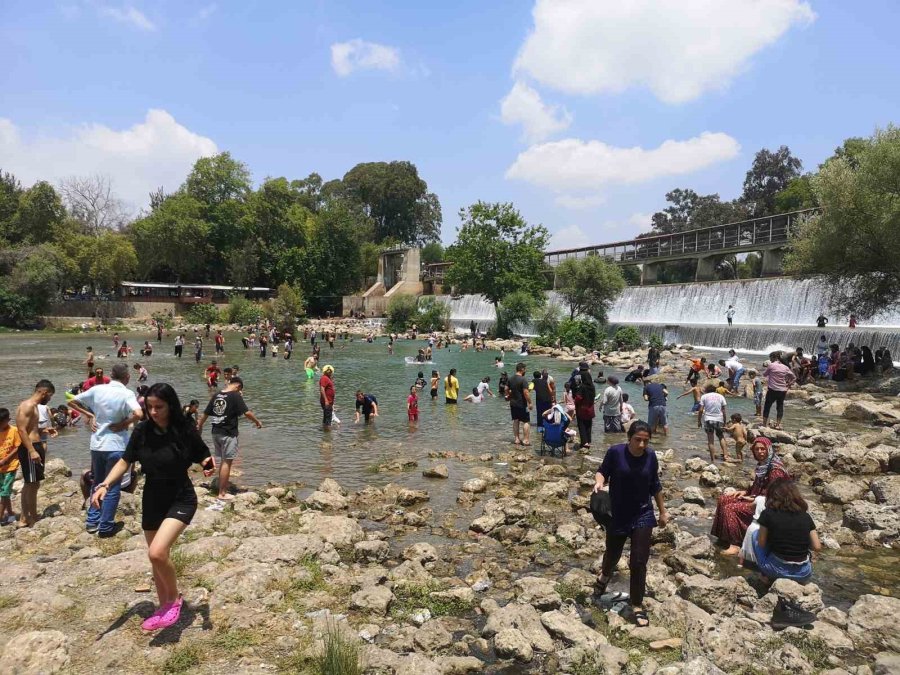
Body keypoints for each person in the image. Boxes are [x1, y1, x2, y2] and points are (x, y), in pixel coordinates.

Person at [90, 383, 215, 632]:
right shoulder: (143, 431)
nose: (154, 412)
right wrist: (104, 483)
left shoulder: (184, 429)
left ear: (171, 405)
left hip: (181, 497)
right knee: (156, 560)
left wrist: (207, 464)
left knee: (157, 552)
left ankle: (175, 600)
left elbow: (203, 454)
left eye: (159, 407)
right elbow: (125, 461)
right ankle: (163, 607)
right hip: (152, 498)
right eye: (149, 407)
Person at [593, 421, 669, 628]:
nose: (642, 445)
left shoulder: (651, 456)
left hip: (643, 513)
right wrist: (599, 482)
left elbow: (655, 484)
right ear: (629, 438)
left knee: (639, 560)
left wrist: (662, 511)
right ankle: (605, 575)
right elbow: (602, 471)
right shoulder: (615, 453)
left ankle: (637, 604)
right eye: (638, 440)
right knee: (613, 554)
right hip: (617, 513)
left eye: (646, 440)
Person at [67, 363, 144, 536]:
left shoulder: (98, 389)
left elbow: (71, 400)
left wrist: (90, 415)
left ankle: (92, 522)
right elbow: (139, 414)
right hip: (116, 444)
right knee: (112, 485)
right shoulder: (126, 393)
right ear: (127, 377)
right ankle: (106, 526)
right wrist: (124, 423)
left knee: (97, 482)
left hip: (97, 444)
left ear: (111, 375)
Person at [711, 437, 790, 555]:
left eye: (763, 449)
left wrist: (753, 498)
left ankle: (736, 544)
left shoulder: (775, 470)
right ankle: (724, 537)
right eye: (757, 449)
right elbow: (758, 485)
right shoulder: (763, 465)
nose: (760, 452)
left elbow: (774, 495)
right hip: (757, 498)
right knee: (724, 499)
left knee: (730, 508)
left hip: (769, 506)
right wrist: (746, 492)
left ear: (768, 450)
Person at [198, 377, 262, 501]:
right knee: (227, 462)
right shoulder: (235, 396)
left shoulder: (217, 395)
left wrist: (199, 426)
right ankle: (222, 493)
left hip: (215, 432)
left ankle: (220, 486)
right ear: (238, 387)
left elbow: (205, 414)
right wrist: (257, 422)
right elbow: (247, 413)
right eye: (240, 390)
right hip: (228, 433)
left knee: (223, 461)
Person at [752, 478, 821, 582]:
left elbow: (761, 544)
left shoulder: (768, 514)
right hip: (804, 573)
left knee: (754, 534)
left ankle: (765, 576)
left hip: (776, 570)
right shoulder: (805, 516)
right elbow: (817, 546)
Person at [16, 380, 56, 527]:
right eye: (50, 395)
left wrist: (44, 430)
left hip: (35, 445)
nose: (49, 399)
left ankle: (24, 517)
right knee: (32, 484)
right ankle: (32, 518)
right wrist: (32, 451)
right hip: (30, 448)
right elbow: (21, 430)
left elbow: (30, 429)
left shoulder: (35, 407)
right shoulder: (27, 405)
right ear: (44, 392)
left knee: (32, 483)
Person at [762, 351, 796, 430]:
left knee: (767, 406)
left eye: (770, 358)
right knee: (780, 407)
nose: (770, 360)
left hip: (772, 389)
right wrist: (789, 384)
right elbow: (794, 377)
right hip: (782, 390)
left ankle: (764, 424)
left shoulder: (771, 365)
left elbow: (764, 374)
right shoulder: (785, 367)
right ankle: (778, 425)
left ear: (774, 358)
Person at [0, 408, 22, 525]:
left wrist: (6, 459)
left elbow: (18, 447)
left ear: (8, 420)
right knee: (4, 492)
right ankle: (11, 514)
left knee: (4, 493)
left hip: (10, 467)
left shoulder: (14, 431)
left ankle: (1, 516)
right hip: (0, 468)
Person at [698, 383, 728, 462]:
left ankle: (713, 460)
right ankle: (725, 455)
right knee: (721, 437)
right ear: (715, 390)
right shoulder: (721, 396)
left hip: (708, 419)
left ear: (707, 390)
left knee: (710, 440)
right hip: (719, 419)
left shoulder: (704, 396)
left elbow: (701, 410)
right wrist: (724, 422)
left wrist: (699, 421)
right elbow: (724, 411)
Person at [507, 362, 532, 446]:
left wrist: (509, 396)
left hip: (513, 403)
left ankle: (517, 439)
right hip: (522, 404)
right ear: (522, 369)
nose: (525, 371)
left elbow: (506, 389)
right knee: (526, 421)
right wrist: (530, 402)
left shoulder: (510, 378)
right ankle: (525, 440)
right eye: (525, 369)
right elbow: (526, 393)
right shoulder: (523, 379)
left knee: (516, 420)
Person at [573, 370, 595, 450]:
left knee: (581, 426)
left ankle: (584, 443)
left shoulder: (582, 386)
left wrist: (575, 400)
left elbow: (578, 398)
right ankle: (588, 441)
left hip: (582, 409)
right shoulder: (592, 386)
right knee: (589, 426)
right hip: (590, 409)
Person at [320, 365, 335, 430]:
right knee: (328, 419)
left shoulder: (328, 378)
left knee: (326, 417)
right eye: (328, 371)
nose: (329, 372)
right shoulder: (324, 378)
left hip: (329, 402)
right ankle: (328, 437)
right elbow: (322, 389)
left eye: (330, 371)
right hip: (327, 402)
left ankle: (325, 434)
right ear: (325, 372)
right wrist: (326, 400)